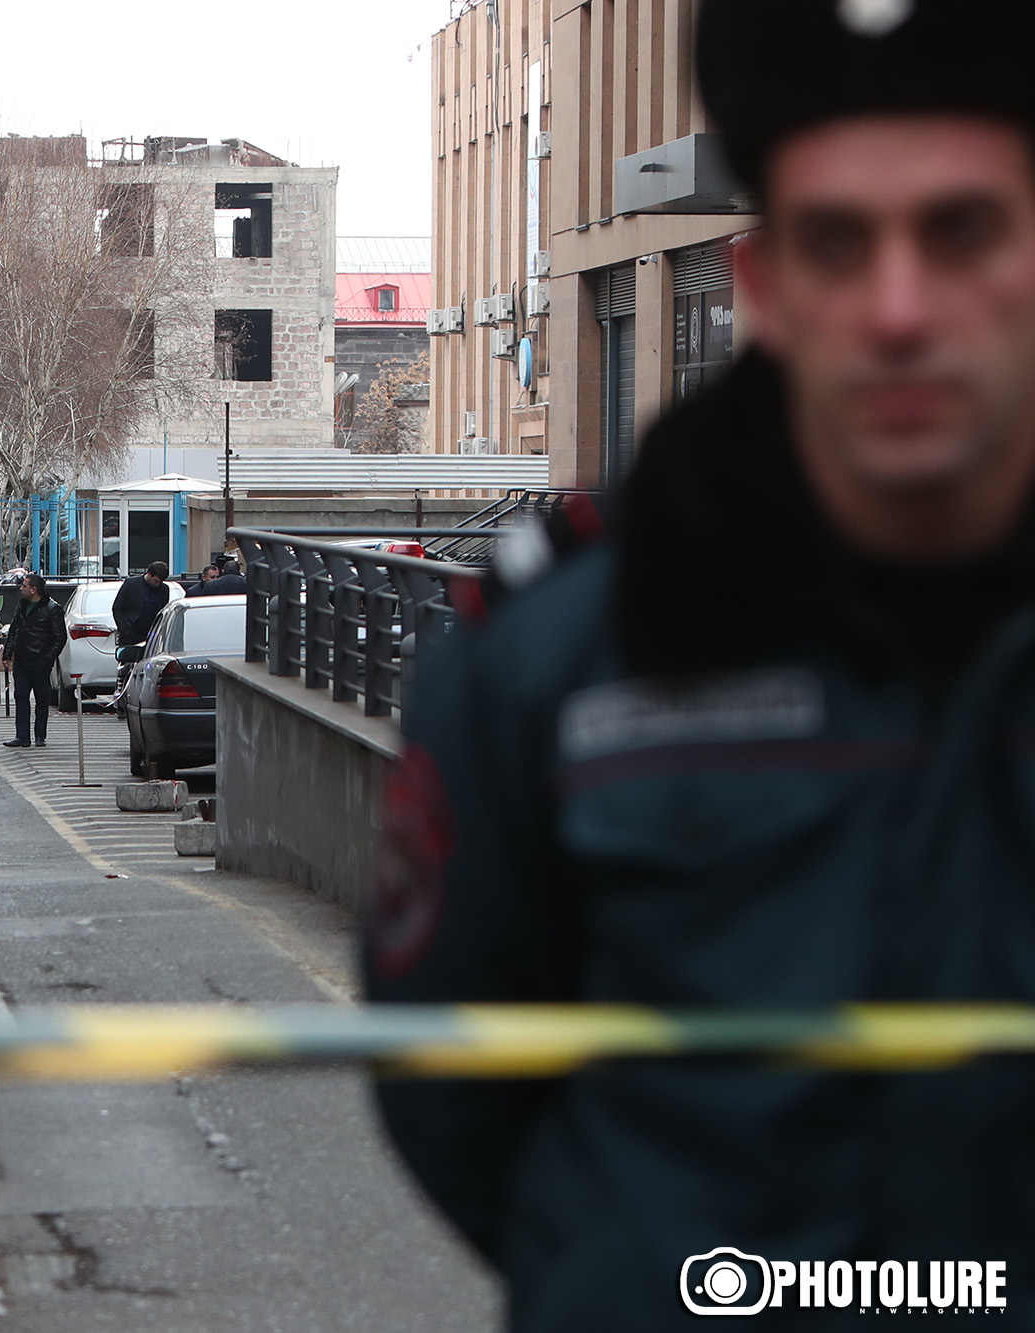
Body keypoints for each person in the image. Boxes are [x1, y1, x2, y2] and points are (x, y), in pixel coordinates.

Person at [366, 3, 1035, 1327]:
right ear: (765, 283)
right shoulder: (562, 653)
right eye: (840, 242)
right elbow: (454, 1079)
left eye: (959, 231)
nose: (899, 310)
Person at [0, 572, 65, 749]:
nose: (21, 589)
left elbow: (60, 638)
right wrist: (8, 654)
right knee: (20, 695)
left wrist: (47, 658)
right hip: (22, 659)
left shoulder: (52, 609)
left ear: (34, 589)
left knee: (42, 698)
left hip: (40, 660)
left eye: (25, 586)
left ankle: (40, 735)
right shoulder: (22, 606)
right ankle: (22, 736)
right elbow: (14, 630)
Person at [111, 560, 171, 649]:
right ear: (149, 574)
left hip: (151, 634)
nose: (157, 584)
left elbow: (163, 611)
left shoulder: (164, 589)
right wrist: (123, 629)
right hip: (131, 632)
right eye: (156, 581)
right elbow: (117, 607)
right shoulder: (131, 584)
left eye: (160, 582)